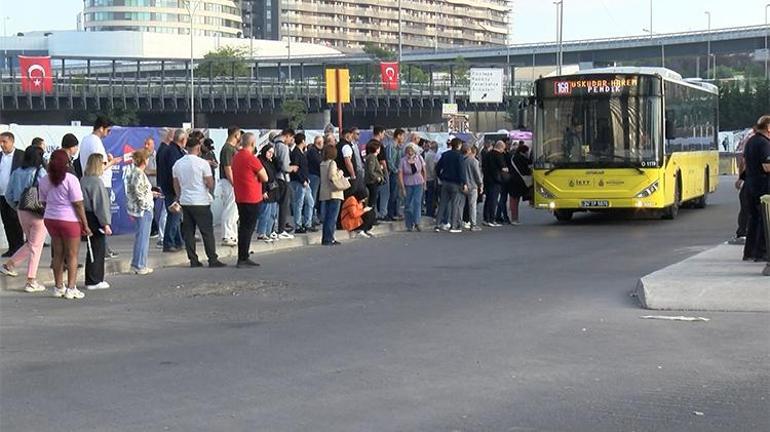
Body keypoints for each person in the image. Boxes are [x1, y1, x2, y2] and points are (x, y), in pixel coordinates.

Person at [39, 150, 91, 299]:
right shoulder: (71, 179)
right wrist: (85, 224)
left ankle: (58, 287)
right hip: (69, 219)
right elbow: (78, 204)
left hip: (51, 218)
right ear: (66, 163)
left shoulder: (44, 179)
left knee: (58, 254)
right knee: (72, 255)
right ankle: (71, 288)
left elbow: (42, 201)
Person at [172, 136, 226, 268]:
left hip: (186, 201)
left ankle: (193, 260)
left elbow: (176, 184)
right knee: (206, 231)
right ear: (197, 148)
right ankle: (212, 259)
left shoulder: (177, 164)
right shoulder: (202, 164)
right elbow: (210, 182)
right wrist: (209, 188)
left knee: (189, 232)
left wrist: (179, 197)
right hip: (201, 201)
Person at [1, 146, 48, 292]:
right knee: (36, 246)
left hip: (22, 211)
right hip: (38, 212)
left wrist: (17, 207)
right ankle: (31, 280)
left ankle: (9, 265)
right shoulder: (40, 172)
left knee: (31, 243)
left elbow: (8, 194)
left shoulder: (16, 172)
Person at [79, 116, 121, 258]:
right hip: (100, 182)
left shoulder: (86, 140)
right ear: (101, 128)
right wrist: (112, 162)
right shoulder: (95, 142)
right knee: (102, 217)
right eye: (108, 131)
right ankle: (103, 249)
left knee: (95, 216)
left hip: (91, 180)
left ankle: (103, 248)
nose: (108, 134)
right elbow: (100, 166)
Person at [232, 132, 268, 267]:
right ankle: (243, 258)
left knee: (243, 227)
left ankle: (243, 256)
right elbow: (265, 177)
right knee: (248, 228)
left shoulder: (236, 157)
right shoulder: (251, 159)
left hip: (240, 196)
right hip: (252, 197)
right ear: (252, 144)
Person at [80, 153, 113, 290]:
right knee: (98, 249)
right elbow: (101, 205)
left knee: (91, 249)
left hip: (85, 216)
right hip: (95, 217)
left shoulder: (83, 180)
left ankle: (91, 278)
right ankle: (95, 279)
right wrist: (106, 224)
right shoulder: (97, 182)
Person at [742, 115, 770, 262]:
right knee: (764, 220)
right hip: (762, 185)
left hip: (750, 185)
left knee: (753, 219)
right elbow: (767, 166)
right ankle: (762, 252)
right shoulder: (765, 144)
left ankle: (750, 251)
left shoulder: (751, 141)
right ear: (768, 127)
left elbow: (745, 162)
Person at [124, 149, 156, 275]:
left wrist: (151, 193)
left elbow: (138, 190)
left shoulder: (134, 172)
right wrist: (146, 205)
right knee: (143, 238)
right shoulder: (138, 173)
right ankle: (140, 265)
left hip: (139, 209)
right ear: (144, 160)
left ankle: (137, 263)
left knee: (141, 237)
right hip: (143, 210)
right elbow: (138, 192)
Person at [158, 129, 186, 253]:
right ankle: (168, 243)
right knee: (174, 215)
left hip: (168, 187)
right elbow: (175, 174)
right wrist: (178, 191)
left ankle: (178, 241)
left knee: (176, 215)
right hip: (172, 189)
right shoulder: (173, 152)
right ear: (183, 140)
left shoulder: (170, 150)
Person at [0, 131, 25, 257]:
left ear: (12, 141)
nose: (2, 145)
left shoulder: (21, 155)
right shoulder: (0, 156)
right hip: (1, 195)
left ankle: (19, 247)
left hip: (15, 195)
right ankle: (12, 247)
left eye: (4, 142)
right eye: (0, 142)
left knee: (16, 221)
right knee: (6, 222)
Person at [435, 138, 467, 233]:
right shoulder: (459, 156)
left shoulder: (445, 154)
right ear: (458, 145)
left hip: (445, 182)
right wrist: (464, 183)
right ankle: (453, 226)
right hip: (455, 183)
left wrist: (441, 177)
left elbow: (437, 168)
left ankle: (437, 225)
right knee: (455, 204)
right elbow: (461, 170)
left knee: (443, 204)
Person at [218, 126, 241, 247]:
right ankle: (227, 235)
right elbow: (228, 168)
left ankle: (232, 234)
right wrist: (234, 183)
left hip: (232, 182)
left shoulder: (232, 148)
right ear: (236, 135)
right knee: (230, 209)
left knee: (234, 210)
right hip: (229, 182)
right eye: (239, 135)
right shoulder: (227, 149)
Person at [729, 132, 753, 245]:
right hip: (755, 180)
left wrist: (741, 178)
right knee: (748, 206)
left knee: (747, 207)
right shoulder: (755, 139)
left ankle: (743, 232)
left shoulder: (750, 138)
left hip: (751, 179)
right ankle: (744, 232)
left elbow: (743, 161)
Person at [289, 133, 315, 234]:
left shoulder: (301, 152)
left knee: (310, 202)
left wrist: (306, 179)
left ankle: (307, 223)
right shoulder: (296, 153)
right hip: (298, 181)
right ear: (303, 141)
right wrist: (302, 180)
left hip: (305, 180)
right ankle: (298, 225)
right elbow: (296, 168)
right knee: (298, 203)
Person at [273, 128, 297, 238]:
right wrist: (292, 168)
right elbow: (285, 166)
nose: (291, 141)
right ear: (287, 136)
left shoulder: (273, 144)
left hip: (275, 177)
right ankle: (281, 229)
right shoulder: (283, 147)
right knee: (284, 204)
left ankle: (274, 227)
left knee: (275, 204)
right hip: (283, 178)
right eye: (291, 138)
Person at [319, 144, 345, 245]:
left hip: (325, 192)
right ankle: (329, 238)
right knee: (332, 217)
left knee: (327, 217)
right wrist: (340, 173)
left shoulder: (323, 163)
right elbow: (332, 176)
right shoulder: (332, 163)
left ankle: (326, 237)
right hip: (334, 192)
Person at [399, 143, 426, 232]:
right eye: (408, 150)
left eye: (411, 150)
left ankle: (417, 222)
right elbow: (400, 174)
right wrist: (402, 187)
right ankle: (409, 224)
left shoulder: (419, 158)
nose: (410, 152)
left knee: (417, 202)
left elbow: (423, 170)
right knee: (408, 204)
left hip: (419, 182)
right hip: (408, 183)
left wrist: (425, 182)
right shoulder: (403, 160)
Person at [256, 144, 281, 242]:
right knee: (265, 212)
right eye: (269, 152)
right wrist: (263, 191)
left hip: (273, 189)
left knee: (272, 213)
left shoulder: (270, 162)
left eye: (272, 153)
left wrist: (274, 158)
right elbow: (261, 178)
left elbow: (279, 167)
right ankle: (262, 232)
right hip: (266, 189)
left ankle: (269, 231)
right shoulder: (260, 162)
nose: (271, 154)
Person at [482, 141, 508, 227]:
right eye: (503, 149)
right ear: (500, 147)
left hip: (487, 179)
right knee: (493, 200)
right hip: (496, 181)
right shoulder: (498, 155)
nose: (503, 151)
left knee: (488, 200)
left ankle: (486, 218)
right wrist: (506, 170)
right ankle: (492, 220)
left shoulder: (487, 154)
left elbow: (484, 167)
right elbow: (503, 167)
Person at [507, 142, 533, 226]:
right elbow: (526, 170)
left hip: (512, 181)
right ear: (523, 151)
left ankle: (514, 218)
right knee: (515, 201)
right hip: (518, 182)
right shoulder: (521, 158)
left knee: (513, 200)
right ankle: (514, 219)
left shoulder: (513, 157)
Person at [386, 128, 406, 220]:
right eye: (402, 136)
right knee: (393, 193)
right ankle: (390, 214)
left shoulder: (399, 147)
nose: (403, 138)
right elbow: (389, 160)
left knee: (398, 194)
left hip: (399, 172)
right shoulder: (391, 146)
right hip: (394, 173)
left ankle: (396, 212)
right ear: (398, 136)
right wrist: (395, 170)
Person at [463, 145, 483, 231]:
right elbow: (477, 174)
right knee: (472, 206)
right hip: (473, 185)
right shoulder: (474, 161)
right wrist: (481, 184)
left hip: (464, 185)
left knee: (461, 205)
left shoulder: (463, 160)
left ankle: (460, 222)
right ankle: (473, 224)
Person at [371, 126, 390, 219]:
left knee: (375, 194)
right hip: (381, 170)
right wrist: (386, 172)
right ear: (379, 133)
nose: (384, 135)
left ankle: (375, 213)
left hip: (372, 172)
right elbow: (383, 160)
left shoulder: (369, 144)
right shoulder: (379, 145)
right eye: (383, 133)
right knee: (384, 193)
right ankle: (383, 213)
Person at [307, 135, 324, 227]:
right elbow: (319, 163)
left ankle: (313, 217)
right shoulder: (313, 151)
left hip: (315, 176)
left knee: (314, 198)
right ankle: (312, 217)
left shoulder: (315, 151)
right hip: (314, 176)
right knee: (312, 197)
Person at [364, 139, 385, 216]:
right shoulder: (372, 157)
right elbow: (371, 170)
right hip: (372, 182)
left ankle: (373, 216)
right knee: (372, 201)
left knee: (373, 200)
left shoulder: (373, 157)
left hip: (373, 182)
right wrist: (377, 178)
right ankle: (370, 217)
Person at [424, 141, 439, 218]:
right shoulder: (433, 156)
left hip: (427, 178)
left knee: (428, 197)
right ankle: (430, 212)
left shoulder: (427, 155)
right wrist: (436, 176)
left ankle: (429, 211)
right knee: (432, 197)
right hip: (432, 178)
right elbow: (432, 168)